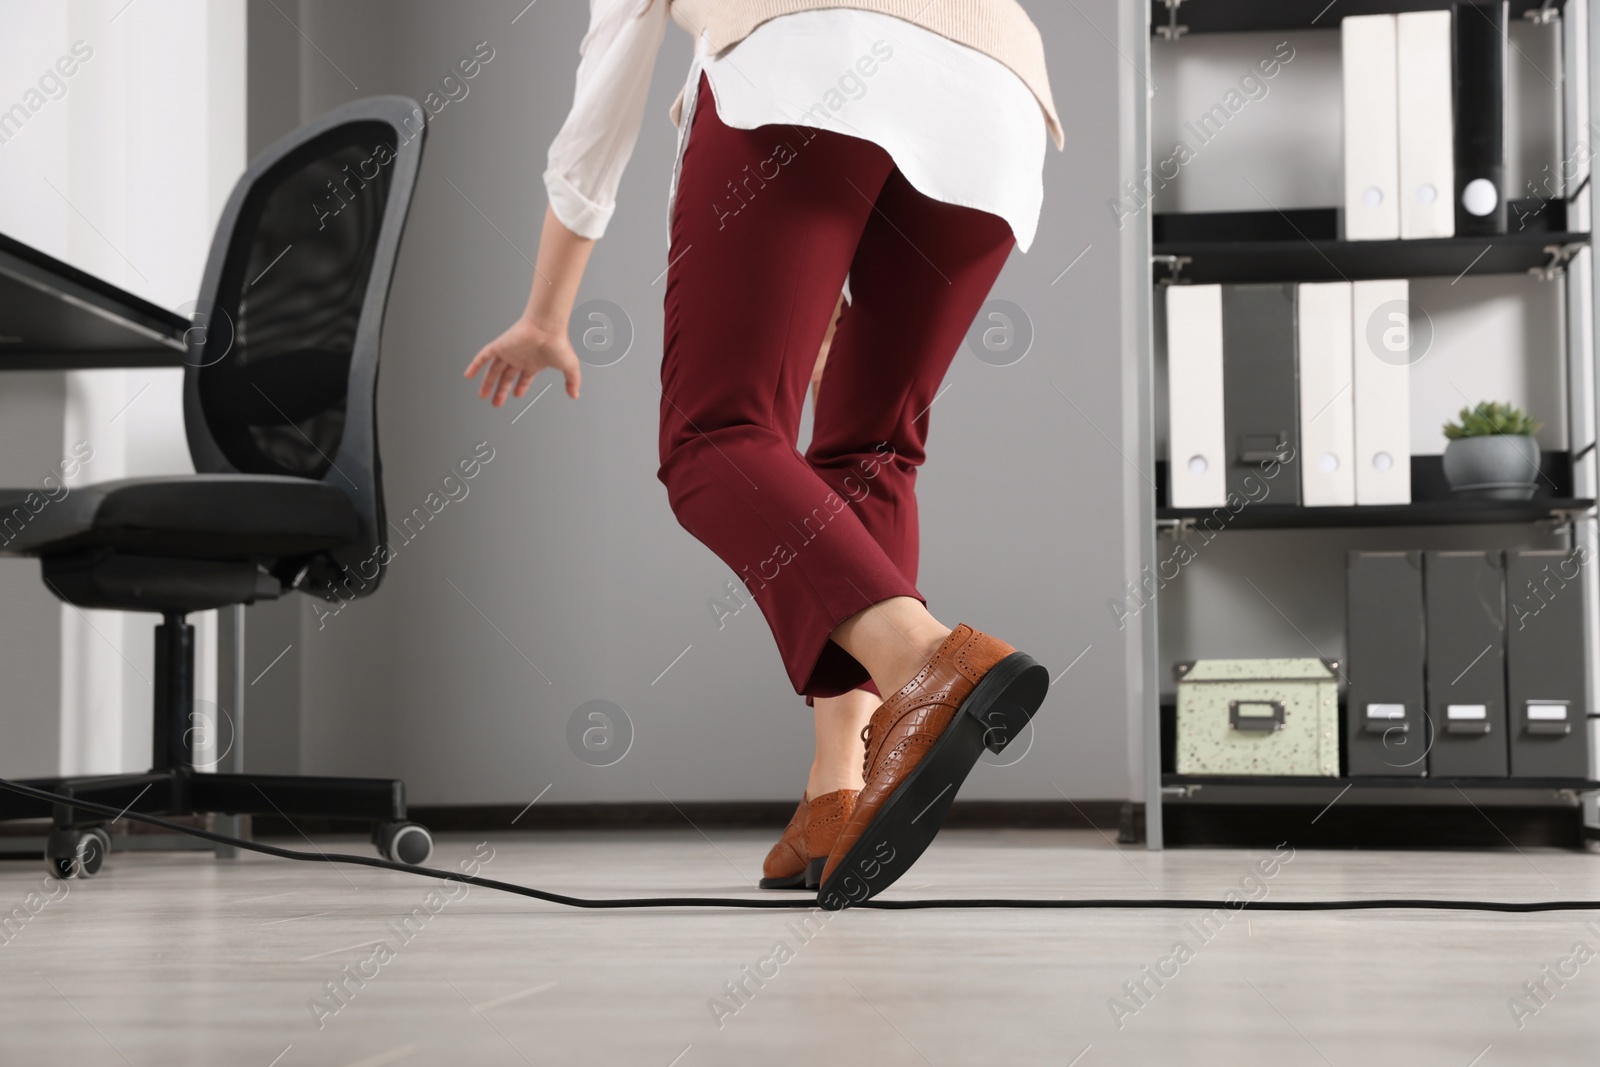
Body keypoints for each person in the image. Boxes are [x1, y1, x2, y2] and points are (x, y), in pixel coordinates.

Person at [464, 0, 1062, 908]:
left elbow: (604, 97)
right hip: (997, 93)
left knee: (716, 435)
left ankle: (927, 661)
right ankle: (839, 790)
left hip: (811, 60)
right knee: (872, 454)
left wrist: (547, 313)